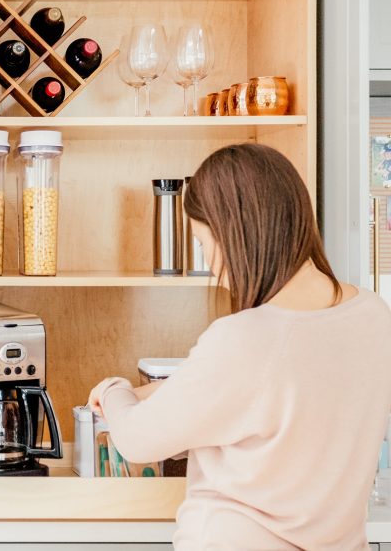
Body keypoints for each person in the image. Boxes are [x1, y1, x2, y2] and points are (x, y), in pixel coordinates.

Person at [88, 143, 391, 551]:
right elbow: (276, 390)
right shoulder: (372, 314)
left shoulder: (247, 336)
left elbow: (137, 442)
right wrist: (151, 390)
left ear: (232, 235)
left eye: (202, 242)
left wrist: (113, 389)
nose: (210, 262)